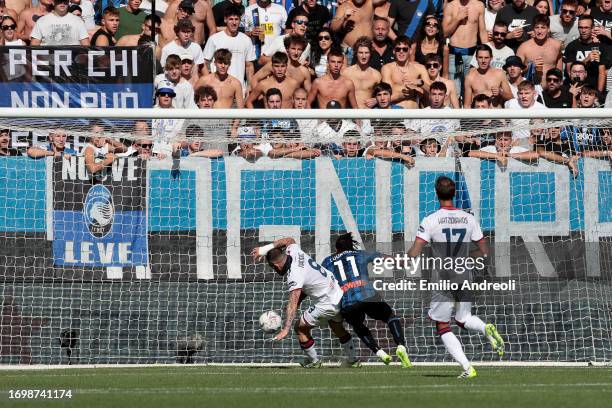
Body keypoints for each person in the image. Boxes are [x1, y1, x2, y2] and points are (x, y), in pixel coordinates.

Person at [407, 176, 505, 379]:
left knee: (442, 324)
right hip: (465, 275)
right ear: (454, 193)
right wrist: (465, 258)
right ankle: (485, 327)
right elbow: (484, 250)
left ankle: (468, 368)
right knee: (463, 318)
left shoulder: (431, 219)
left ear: (436, 193)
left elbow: (414, 253)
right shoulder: (469, 218)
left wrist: (404, 259)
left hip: (443, 277)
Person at [251, 237, 360, 368]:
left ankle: (314, 362)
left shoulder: (294, 275)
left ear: (276, 265)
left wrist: (286, 329)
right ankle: (353, 360)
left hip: (328, 303)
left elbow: (293, 301)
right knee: (336, 327)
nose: (275, 271)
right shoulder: (293, 251)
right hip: (337, 292)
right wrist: (263, 250)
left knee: (300, 328)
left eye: (273, 268)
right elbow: (289, 240)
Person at [321, 232, 413, 367]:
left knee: (358, 325)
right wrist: (401, 262)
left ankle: (379, 352)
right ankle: (401, 347)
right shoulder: (359, 254)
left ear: (337, 249)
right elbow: (383, 258)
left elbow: (318, 280)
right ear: (351, 247)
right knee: (390, 316)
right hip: (368, 296)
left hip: (348, 301)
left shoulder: (327, 261)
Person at [203, 6, 256, 92]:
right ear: (225, 20)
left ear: (240, 20)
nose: (234, 22)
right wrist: (210, 83)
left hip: (239, 90)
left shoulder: (246, 40)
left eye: (236, 19)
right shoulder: (214, 39)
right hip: (217, 90)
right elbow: (205, 63)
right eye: (231, 19)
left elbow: (249, 66)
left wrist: (249, 87)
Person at [443, 0, 488, 94]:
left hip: (472, 55)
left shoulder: (479, 5)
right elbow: (445, 32)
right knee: (455, 90)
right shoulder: (450, 6)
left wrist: (487, 51)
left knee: (471, 89)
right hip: (455, 54)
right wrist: (457, 18)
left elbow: (483, 31)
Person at [381, 36, 429, 109]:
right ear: (394, 51)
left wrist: (420, 83)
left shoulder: (420, 68)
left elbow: (431, 91)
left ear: (410, 51)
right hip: (395, 113)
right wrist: (415, 91)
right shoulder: (387, 68)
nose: (401, 51)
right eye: (398, 49)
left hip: (414, 113)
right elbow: (387, 96)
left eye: (405, 49)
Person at [563, 15, 606, 93]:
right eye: (581, 27)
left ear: (592, 28)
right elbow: (570, 72)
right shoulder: (572, 46)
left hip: (593, 90)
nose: (583, 31)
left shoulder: (599, 47)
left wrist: (599, 94)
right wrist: (586, 60)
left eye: (586, 28)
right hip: (576, 89)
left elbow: (602, 72)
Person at [516, 15, 562, 86]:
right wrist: (531, 66)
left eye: (543, 27)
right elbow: (516, 71)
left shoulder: (557, 45)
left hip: (551, 89)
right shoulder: (524, 47)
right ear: (533, 29)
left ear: (548, 29)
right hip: (530, 89)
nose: (540, 31)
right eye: (537, 27)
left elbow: (559, 71)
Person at [342, 36, 382, 108]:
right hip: (350, 115)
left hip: (368, 115)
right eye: (360, 53)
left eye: (366, 53)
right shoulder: (346, 73)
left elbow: (384, 95)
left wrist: (376, 100)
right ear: (356, 53)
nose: (364, 56)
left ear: (370, 54)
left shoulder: (376, 75)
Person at [469, 130, 539, 164]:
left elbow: (535, 154)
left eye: (506, 140)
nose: (502, 143)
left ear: (511, 141)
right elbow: (471, 153)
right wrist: (496, 156)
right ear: (496, 141)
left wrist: (510, 155)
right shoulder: (491, 148)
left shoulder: (516, 149)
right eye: (500, 140)